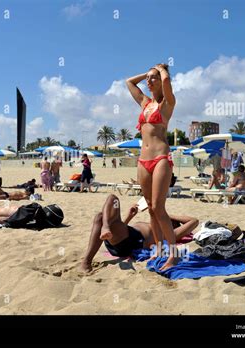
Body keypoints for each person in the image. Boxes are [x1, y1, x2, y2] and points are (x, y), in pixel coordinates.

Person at [127, 63, 178, 270]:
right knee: (149, 207)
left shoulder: (168, 103)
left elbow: (166, 81)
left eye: (152, 78)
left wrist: (162, 70)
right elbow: (129, 82)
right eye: (148, 78)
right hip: (143, 160)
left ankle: (173, 255)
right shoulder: (144, 103)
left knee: (158, 207)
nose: (149, 81)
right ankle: (158, 249)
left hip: (160, 158)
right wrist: (148, 72)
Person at [80, 194, 199, 272]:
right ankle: (104, 228)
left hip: (130, 241)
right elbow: (122, 229)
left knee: (112, 199)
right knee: (101, 215)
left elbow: (194, 221)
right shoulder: (154, 225)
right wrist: (130, 216)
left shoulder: (170, 234)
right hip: (118, 239)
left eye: (169, 221)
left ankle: (87, 260)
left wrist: (165, 215)